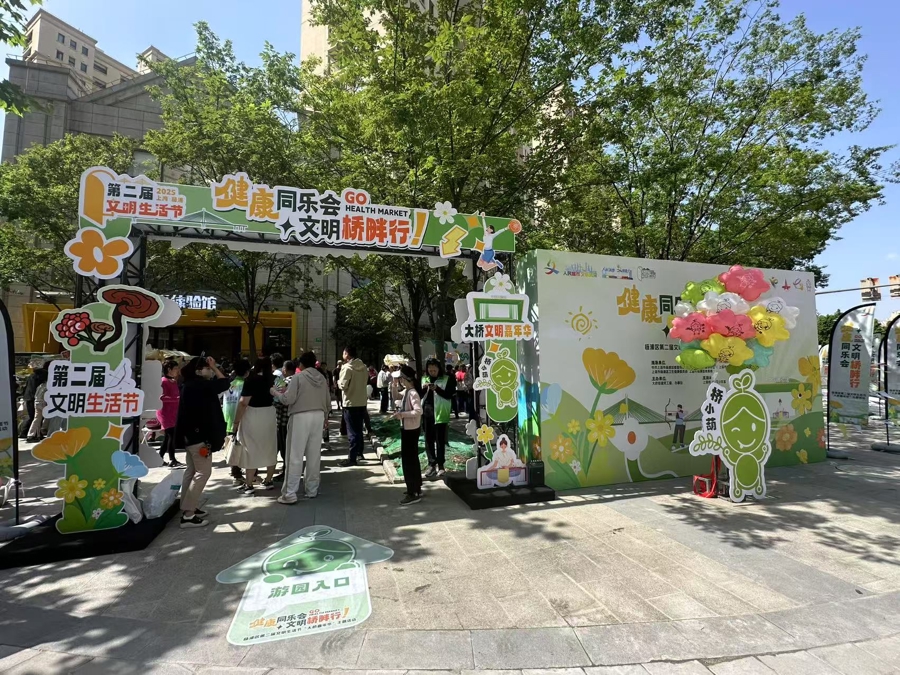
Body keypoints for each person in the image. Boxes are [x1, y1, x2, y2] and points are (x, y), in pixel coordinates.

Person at [174, 356, 230, 528]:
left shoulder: (188, 385)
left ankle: (188, 507)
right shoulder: (200, 385)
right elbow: (224, 383)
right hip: (199, 438)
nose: (209, 371)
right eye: (207, 368)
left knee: (191, 472)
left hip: (190, 436)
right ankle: (188, 515)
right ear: (199, 371)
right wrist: (215, 368)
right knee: (202, 473)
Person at [273, 352, 331, 504]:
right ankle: (312, 489)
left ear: (301, 364)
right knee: (314, 455)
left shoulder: (298, 378)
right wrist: (326, 417)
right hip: (319, 415)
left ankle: (290, 493)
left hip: (299, 416)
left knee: (295, 455)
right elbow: (327, 401)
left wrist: (275, 392)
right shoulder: (322, 378)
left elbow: (288, 399)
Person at [234, 357, 278, 495]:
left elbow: (243, 403)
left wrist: (236, 422)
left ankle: (249, 484)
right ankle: (269, 480)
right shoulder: (274, 379)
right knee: (270, 446)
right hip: (269, 414)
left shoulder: (251, 380)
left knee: (250, 448)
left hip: (253, 415)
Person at [392, 364, 423, 505]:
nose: (400, 380)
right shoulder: (407, 391)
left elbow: (418, 411)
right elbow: (396, 396)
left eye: (401, 378)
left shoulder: (413, 393)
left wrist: (402, 415)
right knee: (412, 459)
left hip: (411, 430)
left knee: (408, 461)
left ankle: (413, 492)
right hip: (407, 428)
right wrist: (393, 385)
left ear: (406, 379)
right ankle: (416, 487)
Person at [421, 358, 454, 478]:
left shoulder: (447, 379)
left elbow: (449, 395)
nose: (432, 372)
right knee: (428, 439)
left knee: (440, 440)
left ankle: (441, 465)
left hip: (441, 413)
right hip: (427, 413)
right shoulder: (424, 379)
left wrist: (437, 389)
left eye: (434, 370)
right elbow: (420, 395)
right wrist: (424, 388)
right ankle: (431, 464)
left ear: (439, 369)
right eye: (430, 370)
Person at [337, 346, 368, 467]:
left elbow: (343, 385)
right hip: (361, 402)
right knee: (359, 429)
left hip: (350, 403)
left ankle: (352, 458)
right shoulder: (364, 367)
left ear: (347, 354)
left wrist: (338, 382)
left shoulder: (347, 368)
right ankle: (359, 453)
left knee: (352, 432)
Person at [223, 358, 251, 486]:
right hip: (240, 419)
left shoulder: (230, 384)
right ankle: (242, 474)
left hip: (228, 419)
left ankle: (235, 472)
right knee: (243, 447)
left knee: (233, 447)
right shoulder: (245, 385)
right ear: (247, 372)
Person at [157, 360, 184, 467]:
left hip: (172, 413)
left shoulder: (173, 381)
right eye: (175, 368)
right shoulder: (163, 382)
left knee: (168, 437)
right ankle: (172, 459)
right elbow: (161, 397)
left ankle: (159, 458)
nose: (177, 370)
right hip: (164, 413)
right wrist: (177, 399)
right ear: (169, 370)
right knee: (171, 435)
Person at [273, 359, 296, 481]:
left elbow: (279, 400)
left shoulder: (285, 382)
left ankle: (286, 471)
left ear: (285, 370)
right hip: (295, 418)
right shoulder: (298, 380)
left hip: (283, 419)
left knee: (284, 447)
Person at [25, 361, 51, 442]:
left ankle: (33, 434)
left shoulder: (33, 378)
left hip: (35, 401)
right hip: (42, 402)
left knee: (36, 418)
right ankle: (40, 432)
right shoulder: (46, 383)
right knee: (44, 418)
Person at [19, 363, 46, 440]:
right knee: (36, 417)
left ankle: (31, 433)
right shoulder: (40, 377)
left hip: (28, 397)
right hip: (34, 398)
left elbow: (26, 387)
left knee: (33, 417)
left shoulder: (31, 376)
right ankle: (27, 433)